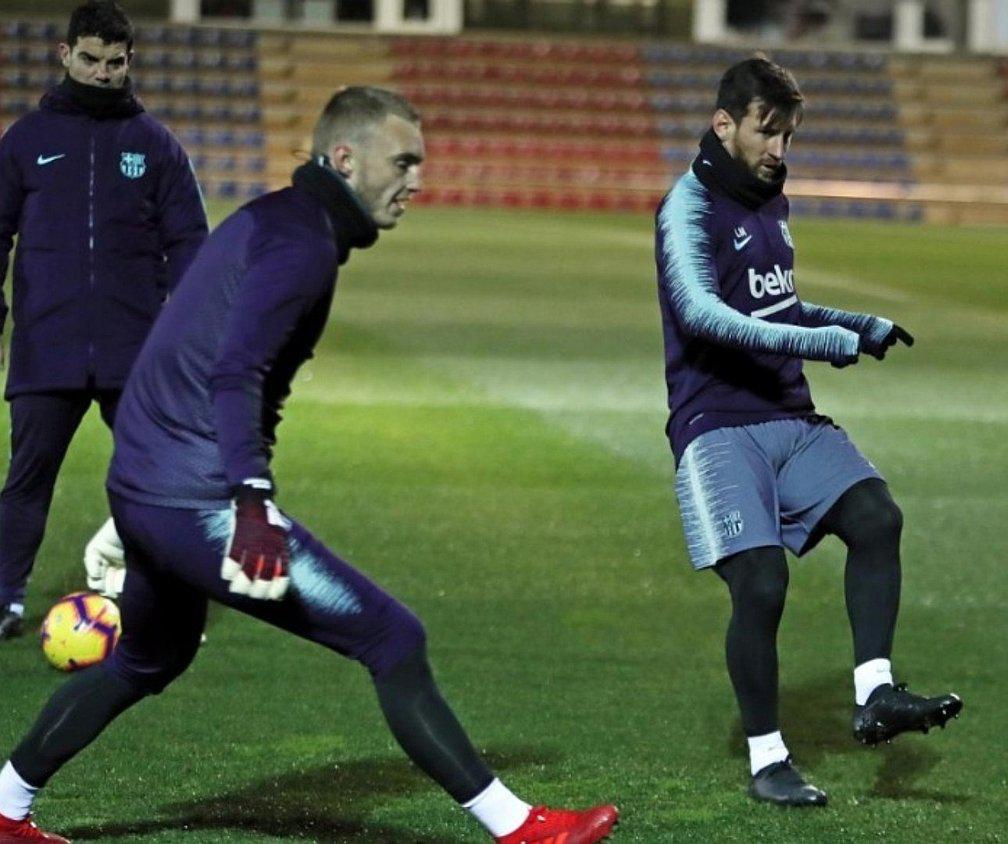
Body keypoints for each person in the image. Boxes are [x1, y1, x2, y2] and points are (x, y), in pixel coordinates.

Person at [0, 87, 618, 844]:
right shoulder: (302, 246)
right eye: (403, 161)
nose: (416, 180)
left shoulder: (273, 218)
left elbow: (194, 353)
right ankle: (519, 827)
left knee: (142, 661)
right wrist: (251, 504)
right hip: (201, 502)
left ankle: (3, 805)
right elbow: (236, 374)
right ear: (345, 158)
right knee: (393, 638)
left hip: (149, 489)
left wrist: (147, 488)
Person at [652, 56, 963, 807]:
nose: (779, 151)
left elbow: (778, 308)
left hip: (787, 412)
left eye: (788, 135)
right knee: (761, 584)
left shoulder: (769, 202)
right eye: (767, 132)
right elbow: (702, 315)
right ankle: (767, 760)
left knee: (876, 516)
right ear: (724, 125)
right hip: (716, 424)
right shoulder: (687, 208)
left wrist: (857, 324)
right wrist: (826, 345)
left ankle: (875, 693)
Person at [0, 0, 209, 640]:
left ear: (129, 62)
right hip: (46, 346)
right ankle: (4, 598)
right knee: (27, 483)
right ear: (66, 55)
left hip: (135, 353)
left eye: (114, 62)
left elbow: (191, 244)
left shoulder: (156, 145)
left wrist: (186, 328)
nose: (102, 72)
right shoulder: (27, 141)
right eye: (90, 59)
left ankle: (170, 602)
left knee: (157, 484)